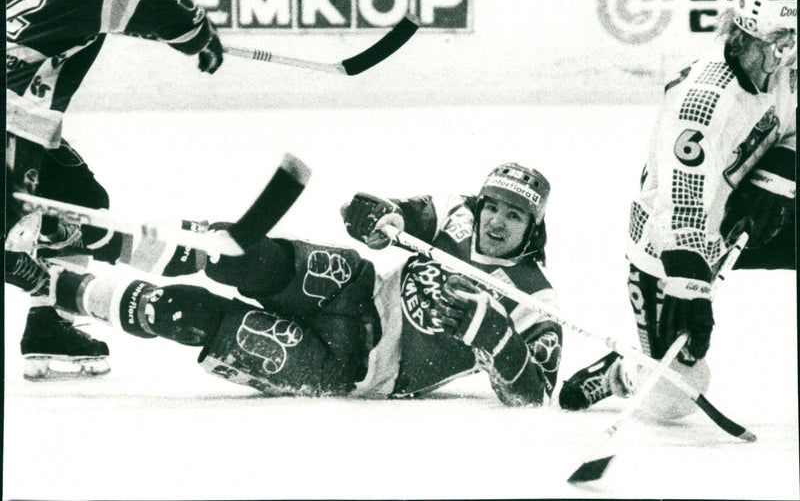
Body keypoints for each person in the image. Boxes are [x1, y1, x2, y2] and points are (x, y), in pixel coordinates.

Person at [7, 163, 563, 405]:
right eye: (494, 206)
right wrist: (375, 214)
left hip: (357, 368)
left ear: (531, 228)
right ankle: (91, 238)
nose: (496, 221)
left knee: (189, 315)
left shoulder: (534, 296)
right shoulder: (460, 215)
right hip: (356, 286)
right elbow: (389, 210)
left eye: (513, 217)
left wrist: (490, 331)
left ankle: (57, 288)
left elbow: (535, 393)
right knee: (239, 255)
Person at [5, 0, 225, 380]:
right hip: (15, 121)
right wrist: (202, 42)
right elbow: (183, 19)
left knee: (83, 204)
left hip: (29, 124)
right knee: (26, 230)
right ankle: (62, 294)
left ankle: (47, 328)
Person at [558, 0, 796, 419]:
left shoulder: (784, 68)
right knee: (677, 389)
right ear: (746, 32)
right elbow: (680, 206)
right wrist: (692, 288)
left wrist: (776, 177)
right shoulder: (702, 104)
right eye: (781, 42)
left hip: (737, 211)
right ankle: (622, 373)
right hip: (668, 243)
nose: (790, 55)